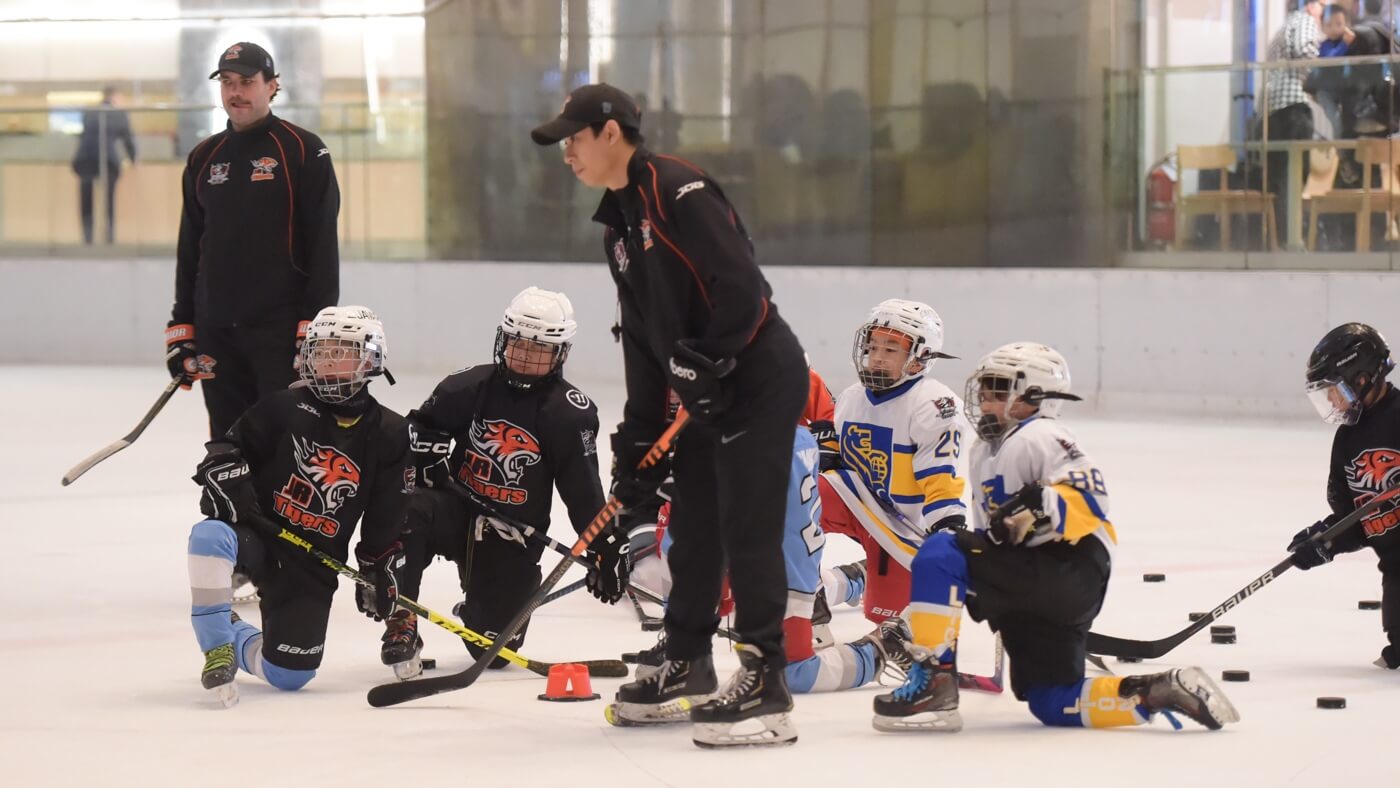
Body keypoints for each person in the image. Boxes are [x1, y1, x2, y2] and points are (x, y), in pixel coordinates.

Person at [532, 82, 809, 748]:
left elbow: (743, 290)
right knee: (693, 522)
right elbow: (648, 345)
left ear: (610, 132)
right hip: (705, 390)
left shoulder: (676, 190)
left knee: (746, 526)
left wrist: (708, 362)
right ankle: (687, 661)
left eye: (574, 136)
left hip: (757, 377)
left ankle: (767, 679)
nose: (567, 150)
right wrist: (637, 445)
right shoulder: (620, 223)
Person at [872, 342, 1239, 733]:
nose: (984, 399)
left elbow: (1093, 497)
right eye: (983, 389)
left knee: (940, 551)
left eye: (997, 389)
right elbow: (992, 539)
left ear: (1033, 396)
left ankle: (934, 683)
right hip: (1048, 582)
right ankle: (1156, 691)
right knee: (1050, 698)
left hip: (1068, 565)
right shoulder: (985, 450)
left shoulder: (1040, 435)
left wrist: (1033, 510)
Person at [184, 306, 410, 707]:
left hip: (312, 561)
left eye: (342, 352)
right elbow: (224, 449)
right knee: (210, 534)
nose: (328, 362)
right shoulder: (282, 407)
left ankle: (233, 633)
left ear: (371, 358)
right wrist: (222, 472)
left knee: (289, 675)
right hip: (259, 536)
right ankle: (216, 644)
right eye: (321, 352)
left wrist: (378, 566)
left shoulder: (390, 433)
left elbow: (385, 513)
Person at [396, 287, 615, 669]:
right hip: (455, 509)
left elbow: (584, 495)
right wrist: (423, 459)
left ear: (560, 353)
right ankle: (403, 618)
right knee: (409, 507)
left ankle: (481, 600)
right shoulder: (464, 388)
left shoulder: (568, 414)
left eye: (539, 349)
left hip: (511, 531)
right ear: (503, 338)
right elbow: (411, 436)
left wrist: (605, 547)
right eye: (518, 344)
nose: (525, 357)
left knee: (494, 651)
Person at [613, 425, 912, 706]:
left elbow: (788, 547)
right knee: (678, 560)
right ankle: (852, 579)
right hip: (737, 468)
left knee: (794, 671)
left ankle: (884, 649)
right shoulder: (707, 425)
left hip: (784, 531)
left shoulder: (781, 439)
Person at [166, 41, 341, 439]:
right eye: (227, 82)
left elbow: (323, 248)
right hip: (217, 332)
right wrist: (182, 329)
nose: (235, 92)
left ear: (272, 85)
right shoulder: (203, 158)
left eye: (246, 81)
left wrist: (315, 327)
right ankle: (229, 505)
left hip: (278, 334)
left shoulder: (304, 150)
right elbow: (191, 250)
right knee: (227, 448)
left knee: (284, 445)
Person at [818, 299, 967, 631]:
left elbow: (938, 476)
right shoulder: (852, 398)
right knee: (796, 499)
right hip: (857, 503)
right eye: (873, 346)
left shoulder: (933, 405)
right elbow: (841, 457)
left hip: (902, 527)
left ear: (919, 358)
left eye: (891, 349)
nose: (877, 356)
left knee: (886, 618)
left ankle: (854, 577)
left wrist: (948, 529)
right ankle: (796, 587)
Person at [1288, 322, 1400, 670]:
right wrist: (1328, 540)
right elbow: (1359, 520)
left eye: (1335, 390)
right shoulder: (1347, 442)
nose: (1333, 401)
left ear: (1362, 378)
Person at [1264, 0, 1322, 241]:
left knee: (1280, 177)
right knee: (1297, 173)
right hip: (1294, 105)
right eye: (1322, 7)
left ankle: (1282, 237)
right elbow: (1304, 50)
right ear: (1311, 6)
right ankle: (1294, 238)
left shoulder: (1283, 27)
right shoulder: (1305, 21)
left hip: (1274, 106)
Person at [71, 85, 136, 245]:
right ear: (114, 96)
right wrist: (133, 159)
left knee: (86, 197)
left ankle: (87, 237)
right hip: (108, 160)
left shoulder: (89, 112)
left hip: (85, 158)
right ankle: (109, 235)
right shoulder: (119, 114)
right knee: (109, 198)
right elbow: (128, 139)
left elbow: (84, 136)